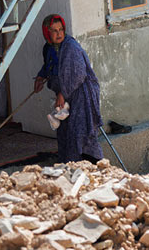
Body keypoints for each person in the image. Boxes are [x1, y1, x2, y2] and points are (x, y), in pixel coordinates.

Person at [33, 14, 104, 163]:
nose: (58, 34)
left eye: (61, 29)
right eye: (54, 30)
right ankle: (70, 168)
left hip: (81, 93)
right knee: (66, 132)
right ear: (47, 33)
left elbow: (78, 73)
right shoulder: (49, 48)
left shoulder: (70, 47)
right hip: (66, 96)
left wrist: (62, 93)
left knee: (80, 132)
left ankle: (91, 169)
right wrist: (40, 77)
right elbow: (49, 66)